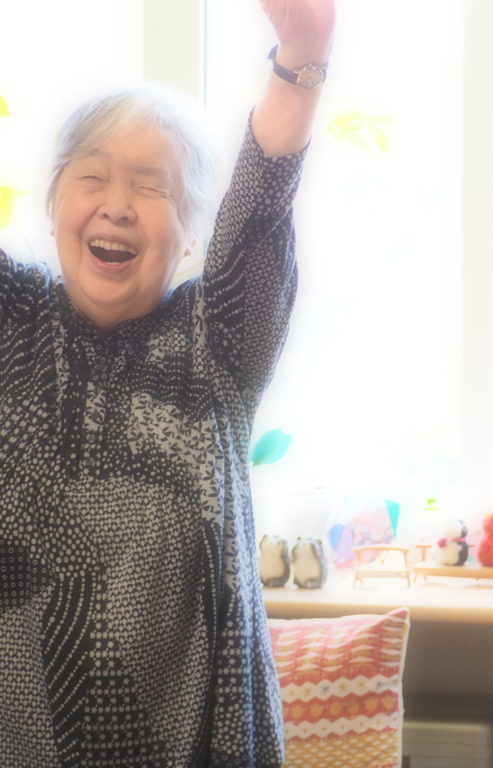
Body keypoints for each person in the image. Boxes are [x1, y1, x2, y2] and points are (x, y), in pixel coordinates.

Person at [0, 0, 334, 765]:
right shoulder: (13, 317)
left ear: (189, 237)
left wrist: (301, 58)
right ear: (53, 206)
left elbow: (260, 209)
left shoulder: (216, 340)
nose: (116, 206)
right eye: (92, 177)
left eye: (151, 188)